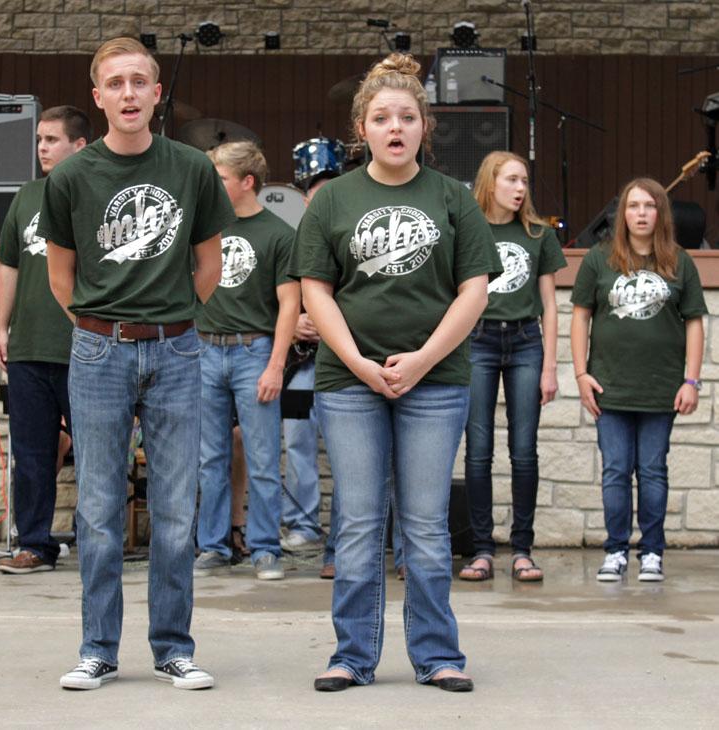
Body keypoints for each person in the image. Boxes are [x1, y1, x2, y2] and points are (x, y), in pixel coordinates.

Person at [290, 53, 501, 693]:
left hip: (434, 384)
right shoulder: (333, 201)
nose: (395, 127)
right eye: (382, 117)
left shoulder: (452, 199)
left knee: (427, 523)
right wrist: (355, 360)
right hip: (349, 383)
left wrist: (422, 361)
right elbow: (315, 290)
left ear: (423, 126)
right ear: (362, 127)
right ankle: (353, 656)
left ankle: (437, 655)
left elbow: (474, 291)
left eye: (407, 117)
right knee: (356, 520)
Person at [37, 37, 235, 691]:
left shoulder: (193, 169)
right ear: (99, 97)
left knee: (177, 509)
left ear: (156, 94)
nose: (128, 93)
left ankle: (174, 647)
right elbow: (60, 276)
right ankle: (97, 648)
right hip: (98, 350)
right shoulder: (70, 177)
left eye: (139, 82)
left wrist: (170, 318)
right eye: (115, 83)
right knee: (96, 507)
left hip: (178, 347)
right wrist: (103, 328)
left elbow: (210, 262)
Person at [570, 178, 706, 583]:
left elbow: (695, 322)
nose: (641, 213)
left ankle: (651, 552)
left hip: (660, 389)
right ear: (621, 214)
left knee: (652, 470)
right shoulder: (599, 260)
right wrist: (580, 374)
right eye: (633, 206)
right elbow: (580, 316)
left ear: (660, 213)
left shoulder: (680, 262)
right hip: (609, 387)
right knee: (615, 470)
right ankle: (615, 550)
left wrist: (692, 381)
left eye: (649, 206)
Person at [194, 141, 300, 581]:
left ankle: (264, 548)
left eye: (220, 179)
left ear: (247, 182)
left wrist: (276, 365)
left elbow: (290, 305)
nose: (212, 187)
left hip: (253, 350)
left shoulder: (278, 233)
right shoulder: (205, 229)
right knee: (209, 458)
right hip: (203, 348)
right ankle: (213, 546)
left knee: (261, 457)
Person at [459, 151, 567, 583]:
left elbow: (550, 306)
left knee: (524, 451)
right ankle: (482, 549)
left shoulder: (538, 235)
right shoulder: (468, 230)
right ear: (490, 182)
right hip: (478, 340)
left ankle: (523, 548)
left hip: (525, 342)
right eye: (512, 180)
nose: (521, 189)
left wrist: (550, 367)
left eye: (524, 181)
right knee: (478, 451)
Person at [0, 105, 91, 574]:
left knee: (95, 452)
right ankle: (33, 543)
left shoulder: (93, 192)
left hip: (84, 345)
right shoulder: (26, 196)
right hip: (29, 347)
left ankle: (96, 543)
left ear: (79, 146)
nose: (42, 148)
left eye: (52, 139)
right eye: (39, 139)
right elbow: (8, 264)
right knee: (31, 453)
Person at [280, 172, 338, 579]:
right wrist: (295, 321)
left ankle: (347, 535)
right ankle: (303, 525)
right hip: (301, 366)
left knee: (347, 451)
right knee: (297, 440)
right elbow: (270, 298)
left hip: (343, 363)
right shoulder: (290, 241)